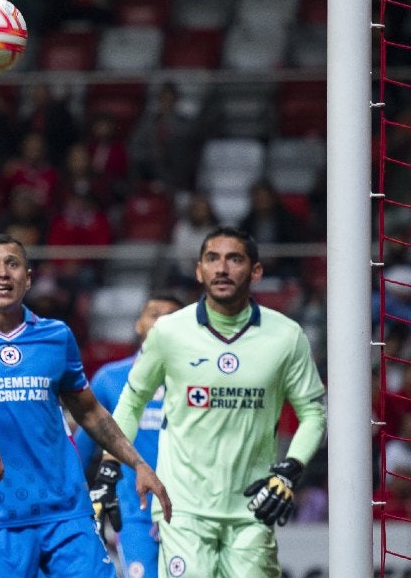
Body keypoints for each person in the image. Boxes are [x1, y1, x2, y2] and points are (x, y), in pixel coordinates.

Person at [0, 233, 172, 577]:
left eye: (13, 264)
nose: (2, 273)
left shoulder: (56, 336)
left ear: (28, 279)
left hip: (67, 512)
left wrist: (138, 463)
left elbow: (90, 412)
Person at [110, 226, 327, 578]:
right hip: (181, 510)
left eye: (234, 259)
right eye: (212, 259)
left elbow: (314, 412)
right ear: (199, 271)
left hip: (253, 510)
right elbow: (132, 401)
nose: (222, 268)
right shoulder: (169, 332)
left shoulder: (287, 336)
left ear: (256, 271)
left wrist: (290, 471)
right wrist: (126, 463)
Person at [73, 291, 183, 578]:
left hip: (190, 511)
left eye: (172, 316)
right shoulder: (111, 379)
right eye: (155, 314)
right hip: (135, 513)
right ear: (139, 324)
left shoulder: (198, 380)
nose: (163, 322)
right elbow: (79, 452)